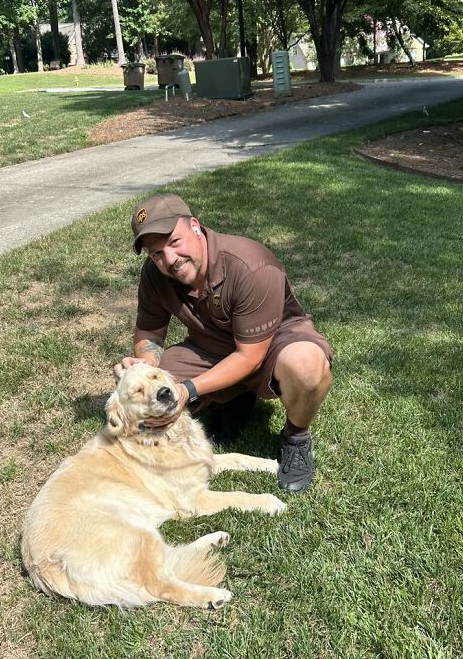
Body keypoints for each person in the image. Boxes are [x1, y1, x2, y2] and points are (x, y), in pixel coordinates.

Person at [113, 193, 333, 493]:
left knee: (307, 366)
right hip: (212, 349)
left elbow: (249, 357)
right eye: (156, 253)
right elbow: (149, 332)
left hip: (273, 346)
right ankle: (232, 399)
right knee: (158, 380)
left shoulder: (251, 265)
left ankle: (296, 437)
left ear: (194, 226)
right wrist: (146, 364)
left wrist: (187, 390)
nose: (170, 260)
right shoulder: (155, 274)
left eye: (174, 242)